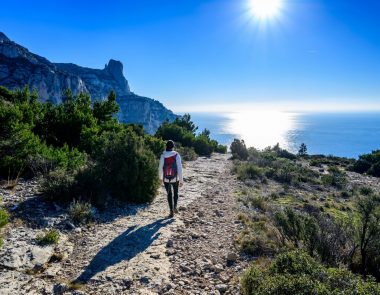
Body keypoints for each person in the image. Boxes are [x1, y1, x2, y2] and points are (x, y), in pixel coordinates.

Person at [159, 140, 183, 217]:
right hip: (175, 178)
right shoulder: (176, 155)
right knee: (176, 193)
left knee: (169, 194)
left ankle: (171, 211)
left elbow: (160, 167)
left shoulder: (163, 155)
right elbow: (179, 168)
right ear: (173, 147)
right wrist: (181, 180)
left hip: (166, 178)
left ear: (166, 146)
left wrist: (160, 178)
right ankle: (175, 207)